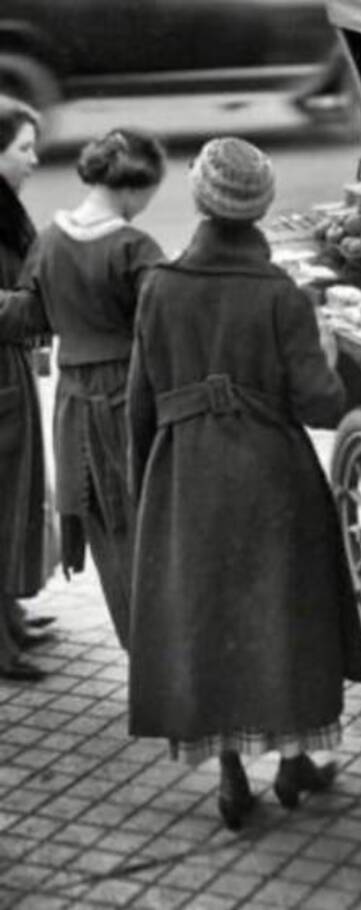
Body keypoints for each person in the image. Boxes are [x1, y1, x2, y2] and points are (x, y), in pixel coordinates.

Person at [126, 137, 361, 830]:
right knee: (286, 618)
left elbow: (139, 405)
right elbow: (321, 406)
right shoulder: (281, 296)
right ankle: (295, 761)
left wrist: (149, 488)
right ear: (260, 210)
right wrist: (329, 351)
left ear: (201, 201)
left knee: (212, 625)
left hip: (186, 478)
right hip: (273, 477)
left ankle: (232, 777)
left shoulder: (160, 288)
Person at [0, 128, 166, 651]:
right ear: (134, 188)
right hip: (126, 394)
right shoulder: (134, 247)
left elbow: (28, 316)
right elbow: (165, 329)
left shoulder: (49, 238)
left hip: (72, 402)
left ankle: (136, 642)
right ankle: (160, 651)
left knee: (102, 525)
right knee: (147, 521)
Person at [0, 94, 50, 682]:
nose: (35, 159)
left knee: (13, 500)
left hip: (9, 375)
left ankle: (9, 615)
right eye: (23, 148)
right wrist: (41, 307)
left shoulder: (6, 206)